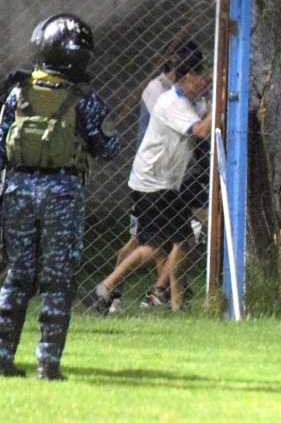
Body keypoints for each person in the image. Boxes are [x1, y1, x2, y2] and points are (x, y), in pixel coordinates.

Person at [0, 13, 119, 381]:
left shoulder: (19, 91)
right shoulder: (84, 102)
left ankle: (0, 359)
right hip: (63, 194)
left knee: (16, 276)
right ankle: (48, 363)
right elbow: (109, 148)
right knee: (58, 280)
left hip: (19, 191)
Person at [83, 40, 212, 314]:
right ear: (188, 78)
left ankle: (177, 303)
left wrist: (216, 85)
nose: (206, 85)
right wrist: (224, 101)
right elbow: (202, 131)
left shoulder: (190, 102)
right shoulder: (170, 102)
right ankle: (105, 289)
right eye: (202, 79)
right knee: (153, 247)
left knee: (183, 241)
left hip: (165, 184)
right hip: (152, 183)